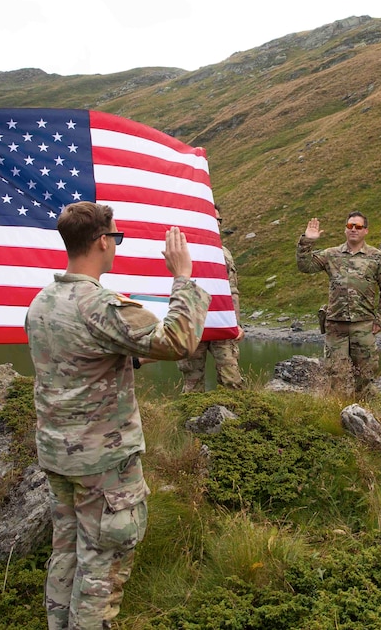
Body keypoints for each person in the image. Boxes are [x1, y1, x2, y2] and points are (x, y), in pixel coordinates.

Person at [25, 202, 209, 628]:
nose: (116, 245)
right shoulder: (101, 305)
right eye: (117, 238)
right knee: (102, 567)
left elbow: (79, 360)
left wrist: (132, 357)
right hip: (103, 464)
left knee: (67, 553)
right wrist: (182, 276)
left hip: (58, 454)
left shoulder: (43, 301)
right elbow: (179, 341)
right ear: (103, 241)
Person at [296, 211, 381, 394]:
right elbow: (305, 266)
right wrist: (307, 241)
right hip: (335, 325)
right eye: (350, 226)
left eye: (358, 226)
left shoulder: (377, 257)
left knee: (365, 375)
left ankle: (365, 414)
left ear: (366, 231)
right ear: (345, 230)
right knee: (335, 374)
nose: (353, 229)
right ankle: (337, 414)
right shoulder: (331, 254)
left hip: (363, 324)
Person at [177, 205, 245, 392]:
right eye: (212, 218)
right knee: (192, 382)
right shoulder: (185, 251)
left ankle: (237, 418)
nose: (216, 223)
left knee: (231, 378)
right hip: (193, 326)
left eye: (219, 220)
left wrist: (236, 324)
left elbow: (232, 292)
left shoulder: (224, 253)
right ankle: (191, 419)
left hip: (222, 324)